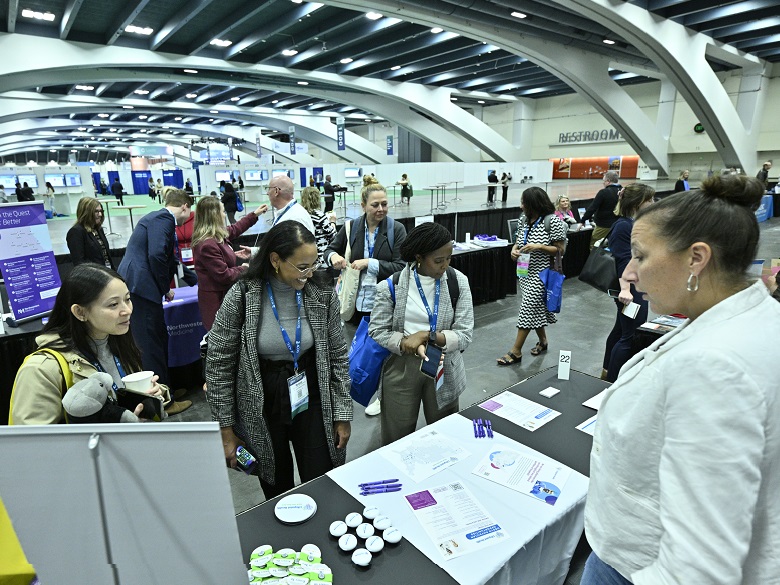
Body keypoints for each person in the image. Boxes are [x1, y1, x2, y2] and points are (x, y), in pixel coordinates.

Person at [582, 174, 780, 585]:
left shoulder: (714, 367)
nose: (630, 272)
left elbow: (700, 565)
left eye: (641, 256)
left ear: (696, 258)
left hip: (639, 564)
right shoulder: (750, 320)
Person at [205, 221, 353, 499]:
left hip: (311, 390)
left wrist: (342, 414)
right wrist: (226, 430)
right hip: (262, 397)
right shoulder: (243, 295)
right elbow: (218, 366)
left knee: (321, 475)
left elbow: (338, 356)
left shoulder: (322, 293)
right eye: (302, 267)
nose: (310, 273)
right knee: (275, 481)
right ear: (275, 260)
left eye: (314, 264)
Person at [9, 264, 167, 425]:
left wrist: (155, 395)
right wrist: (114, 428)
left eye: (127, 299)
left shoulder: (117, 342)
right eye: (113, 304)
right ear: (80, 312)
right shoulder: (42, 368)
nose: (127, 310)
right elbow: (34, 438)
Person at [369, 222, 474, 445]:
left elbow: (465, 334)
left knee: (446, 435)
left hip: (444, 365)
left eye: (449, 258)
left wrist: (428, 336)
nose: (445, 265)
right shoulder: (391, 286)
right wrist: (406, 343)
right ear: (419, 257)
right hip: (401, 366)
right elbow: (377, 330)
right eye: (438, 260)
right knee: (397, 437)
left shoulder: (458, 282)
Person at [117, 188, 194, 415]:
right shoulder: (163, 219)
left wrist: (194, 280)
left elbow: (170, 259)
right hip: (142, 288)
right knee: (151, 345)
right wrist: (165, 288)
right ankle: (163, 403)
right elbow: (156, 255)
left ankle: (166, 389)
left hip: (142, 287)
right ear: (184, 206)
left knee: (158, 339)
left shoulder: (157, 219)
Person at [497, 187, 566, 366]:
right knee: (535, 308)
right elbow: (518, 241)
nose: (521, 206)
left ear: (534, 204)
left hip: (542, 274)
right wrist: (514, 250)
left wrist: (539, 247)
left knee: (527, 308)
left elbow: (560, 250)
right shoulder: (523, 219)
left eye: (524, 203)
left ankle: (516, 351)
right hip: (524, 272)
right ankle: (543, 341)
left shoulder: (552, 221)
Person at [325, 183, 407, 324]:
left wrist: (369, 263)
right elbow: (328, 251)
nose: (381, 209)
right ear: (363, 206)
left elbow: (401, 267)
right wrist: (333, 256)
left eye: (384, 204)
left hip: (384, 305)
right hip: (354, 304)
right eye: (375, 205)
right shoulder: (351, 227)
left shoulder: (397, 229)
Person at [600, 184, 655, 382]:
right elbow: (623, 261)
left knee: (621, 331)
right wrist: (626, 290)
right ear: (638, 202)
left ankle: (606, 373)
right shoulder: (624, 226)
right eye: (649, 200)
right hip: (630, 291)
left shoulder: (631, 223)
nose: (653, 203)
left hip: (632, 288)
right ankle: (613, 382)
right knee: (630, 336)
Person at [192, 196, 268, 330]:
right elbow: (224, 275)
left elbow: (235, 228)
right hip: (216, 303)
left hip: (224, 297)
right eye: (222, 211)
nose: (224, 214)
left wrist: (254, 215)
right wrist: (243, 268)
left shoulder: (215, 236)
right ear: (214, 215)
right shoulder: (207, 244)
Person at [66, 197, 115, 270]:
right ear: (86, 212)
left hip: (107, 271)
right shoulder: (76, 232)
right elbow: (79, 263)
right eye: (96, 211)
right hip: (93, 275)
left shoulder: (98, 229)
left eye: (101, 211)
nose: (100, 214)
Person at [581, 170, 620, 249]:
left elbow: (593, 208)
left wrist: (583, 220)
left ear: (608, 181)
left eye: (604, 181)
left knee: (595, 246)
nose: (603, 183)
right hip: (618, 224)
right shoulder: (623, 191)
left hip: (603, 226)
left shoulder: (603, 192)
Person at [299, 186, 337, 264]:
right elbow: (333, 235)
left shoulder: (301, 214)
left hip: (307, 256)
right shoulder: (319, 215)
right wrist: (333, 222)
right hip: (321, 257)